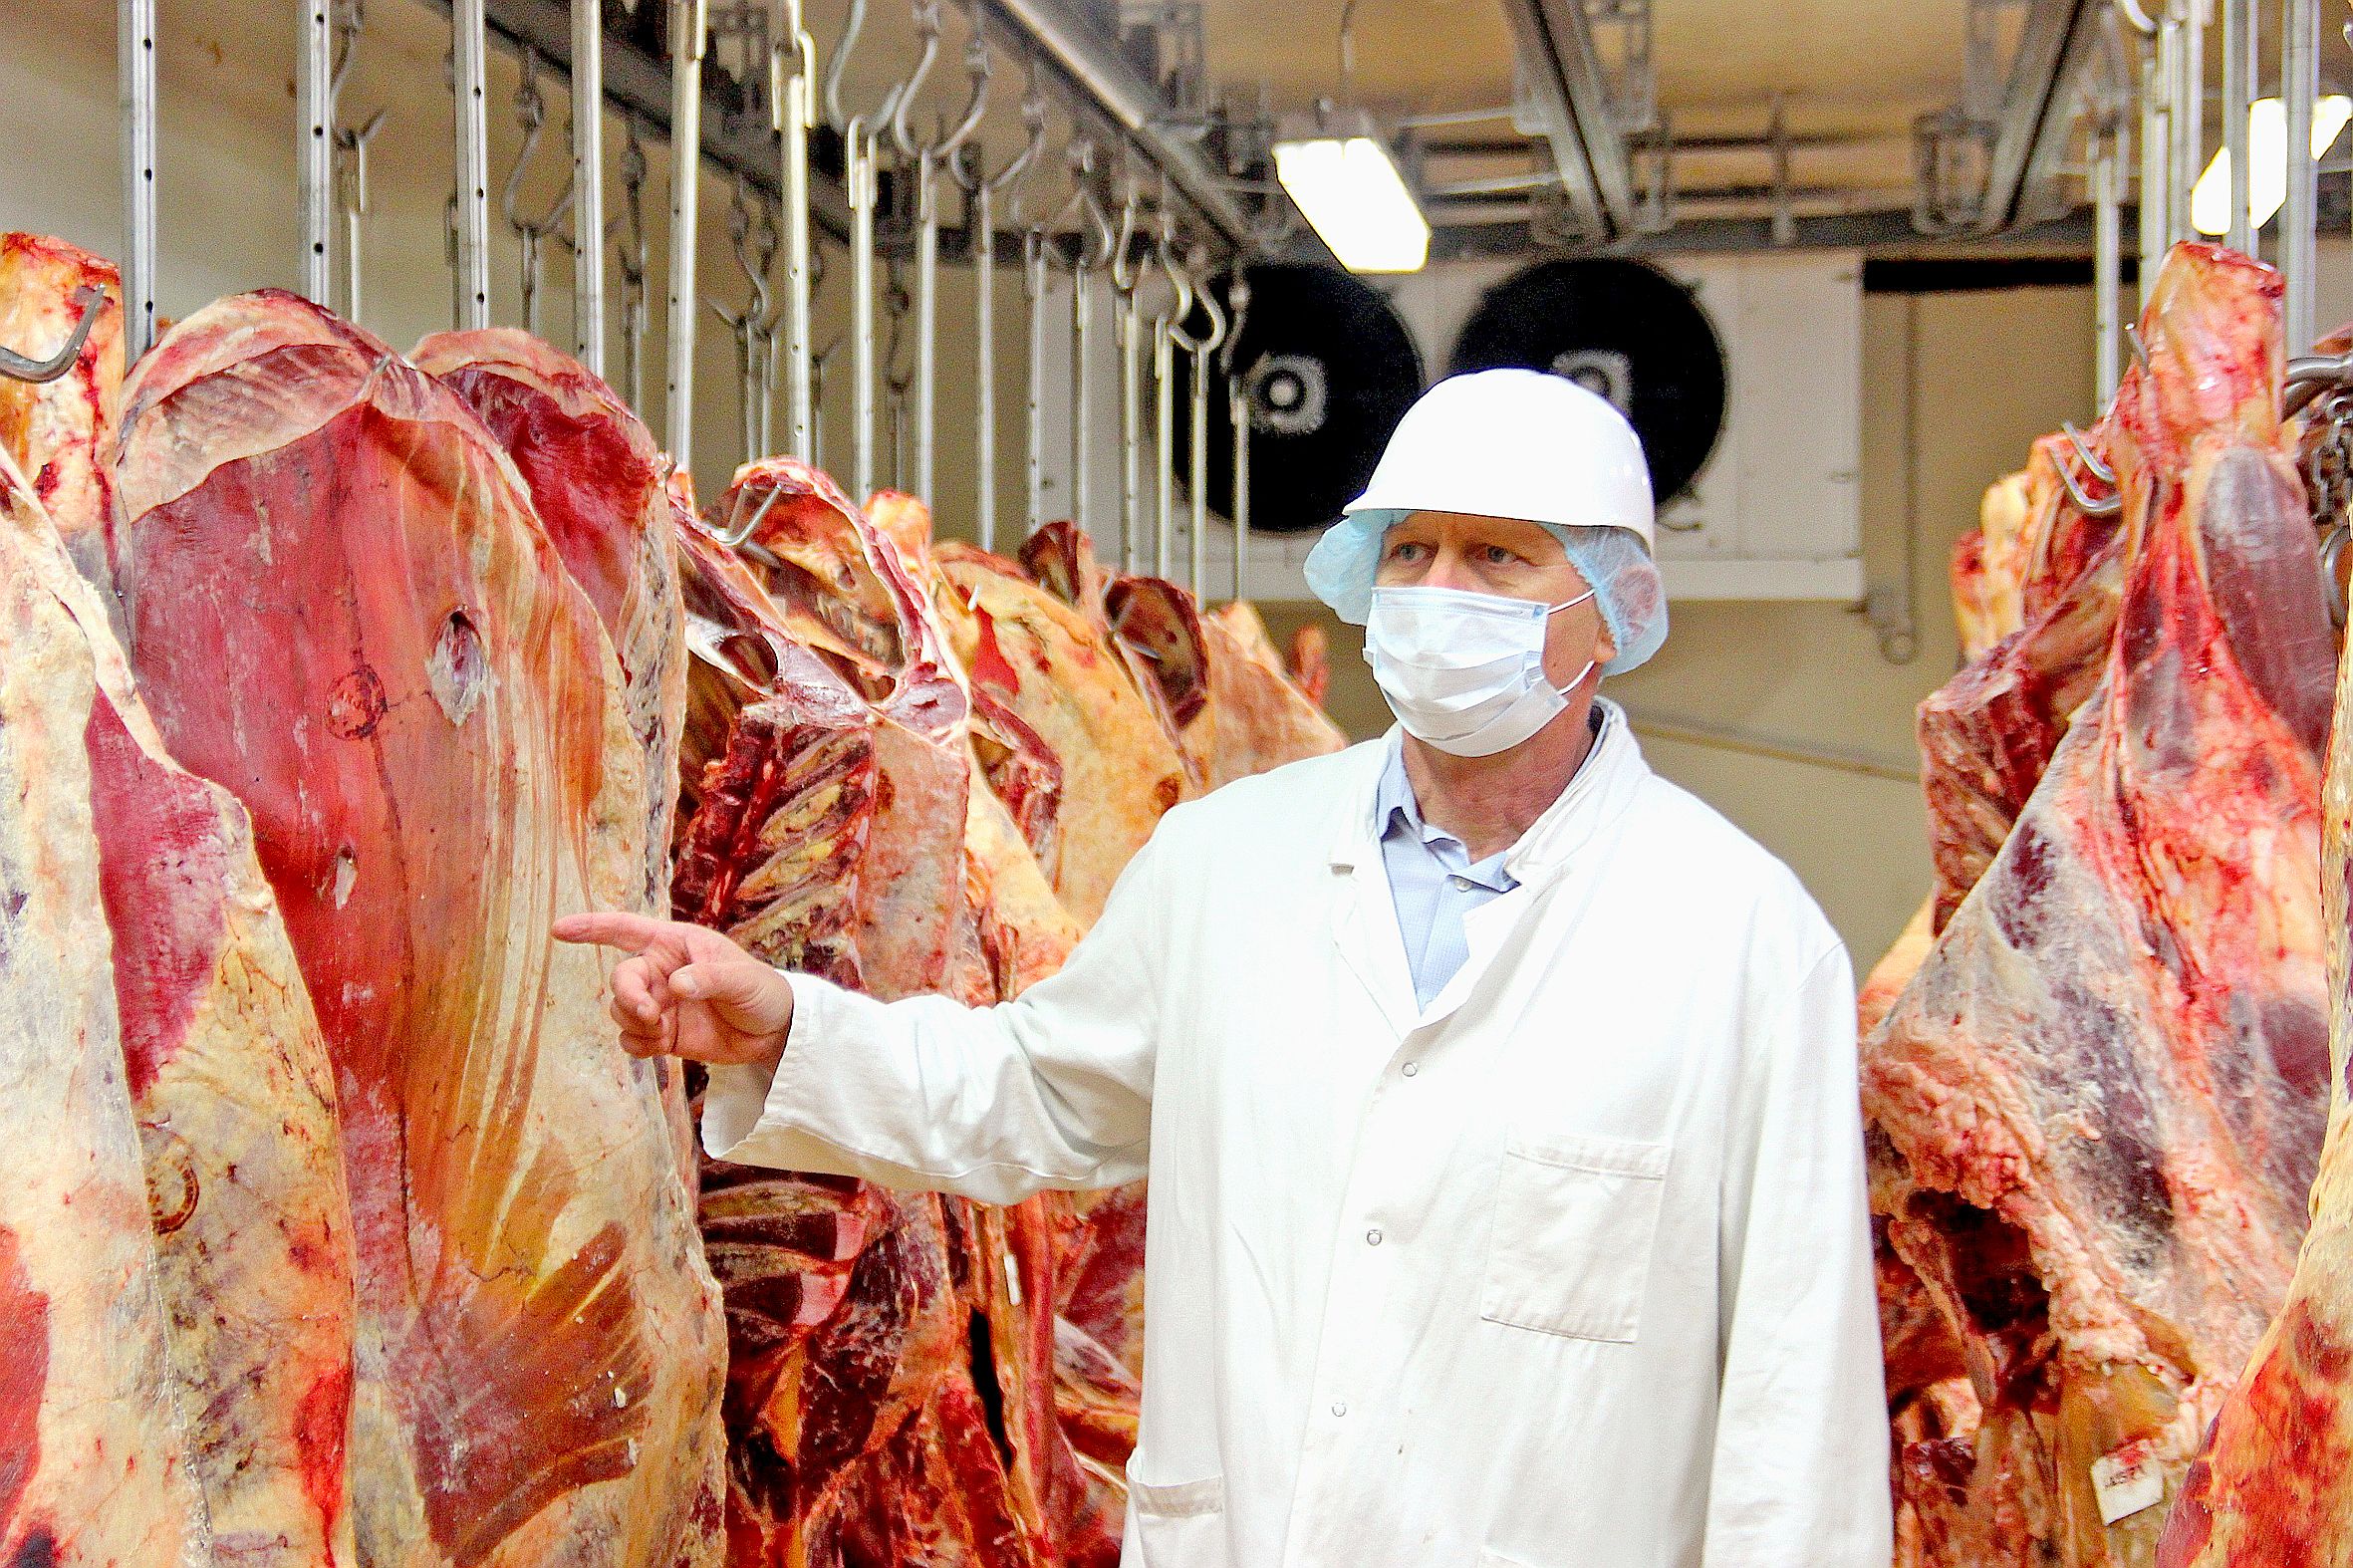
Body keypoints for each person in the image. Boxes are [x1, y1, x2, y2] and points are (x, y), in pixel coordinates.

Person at [559, 368, 1893, 1568]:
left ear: (1612, 610)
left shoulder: (1742, 941)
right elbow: (1031, 1089)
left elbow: (1799, 1401)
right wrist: (780, 1025)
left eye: (1497, 556)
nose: (1440, 591)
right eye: (1411, 551)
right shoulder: (1226, 859)